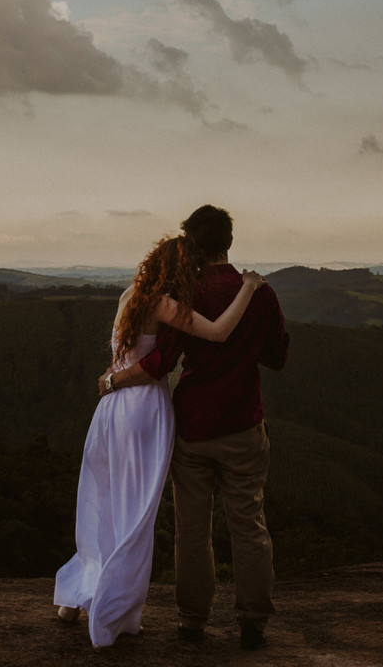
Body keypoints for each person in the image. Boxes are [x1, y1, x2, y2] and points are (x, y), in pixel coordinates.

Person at [54, 234, 267, 650]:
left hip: (111, 411)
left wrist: (113, 380)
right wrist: (249, 287)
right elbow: (220, 333)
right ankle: (111, 613)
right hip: (143, 412)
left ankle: (76, 599)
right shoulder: (165, 304)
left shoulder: (130, 294)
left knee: (104, 504)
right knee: (136, 515)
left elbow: (123, 360)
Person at [98, 205, 288, 651]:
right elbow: (277, 357)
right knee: (249, 524)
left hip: (193, 426)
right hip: (243, 424)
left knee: (191, 529)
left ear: (191, 244)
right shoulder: (259, 293)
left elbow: (163, 360)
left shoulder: (185, 292)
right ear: (228, 243)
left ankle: (192, 622)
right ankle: (253, 622)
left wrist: (113, 379)